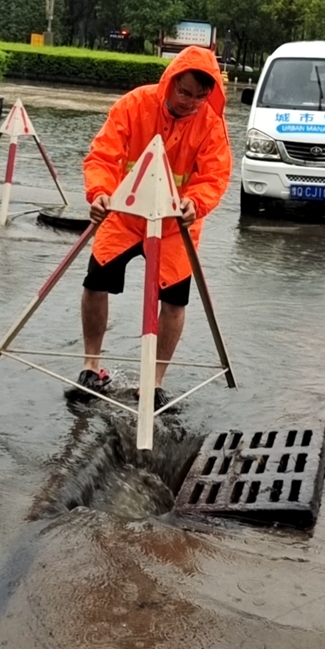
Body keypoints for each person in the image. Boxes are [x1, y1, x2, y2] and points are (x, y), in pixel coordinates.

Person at [65, 46, 232, 408]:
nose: (190, 102)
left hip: (175, 226)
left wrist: (195, 204)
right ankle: (91, 366)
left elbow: (215, 175)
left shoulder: (211, 124)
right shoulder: (135, 105)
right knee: (95, 283)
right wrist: (99, 194)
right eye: (184, 92)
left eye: (200, 97)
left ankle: (153, 381)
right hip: (123, 217)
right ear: (170, 82)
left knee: (173, 302)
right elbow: (104, 155)